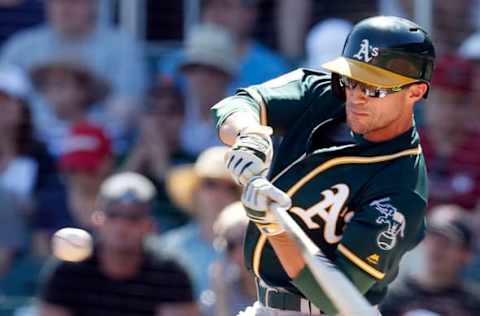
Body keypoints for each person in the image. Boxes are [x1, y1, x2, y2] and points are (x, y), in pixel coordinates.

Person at [212, 16, 435, 315]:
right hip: (265, 305)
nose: (356, 96)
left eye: (374, 88)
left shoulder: (403, 186)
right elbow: (239, 104)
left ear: (415, 92)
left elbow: (337, 299)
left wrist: (276, 229)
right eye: (352, 80)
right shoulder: (324, 92)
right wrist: (250, 135)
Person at [37, 171, 200, 316]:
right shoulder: (68, 269)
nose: (122, 225)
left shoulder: (169, 272)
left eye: (133, 217)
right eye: (113, 215)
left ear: (150, 226)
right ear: (97, 220)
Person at [0, 0, 147, 148]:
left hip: (99, 149)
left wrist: (77, 129)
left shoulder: (122, 46)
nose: (65, 8)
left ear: (94, 5)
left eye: (75, 2)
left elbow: (127, 110)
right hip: (29, 147)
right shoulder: (20, 46)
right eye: (58, 2)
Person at [153, 146, 240, 313]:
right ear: (195, 191)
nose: (219, 194)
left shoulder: (253, 251)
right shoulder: (168, 248)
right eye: (210, 184)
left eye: (230, 187)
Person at [380, 206, 480, 315]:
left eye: (446, 242)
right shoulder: (393, 298)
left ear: (466, 254)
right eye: (433, 238)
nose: (436, 249)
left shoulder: (473, 304)